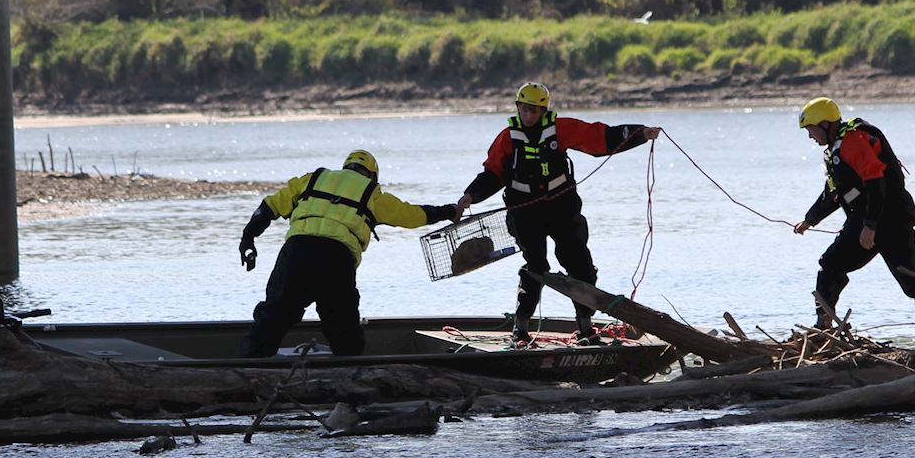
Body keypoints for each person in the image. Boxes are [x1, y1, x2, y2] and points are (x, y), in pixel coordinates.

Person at [455, 82, 661, 346]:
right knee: (537, 267)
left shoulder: (562, 129)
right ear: (517, 108)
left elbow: (600, 138)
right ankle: (521, 328)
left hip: (562, 206)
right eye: (524, 109)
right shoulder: (507, 138)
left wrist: (641, 134)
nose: (528, 115)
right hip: (524, 210)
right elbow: (492, 173)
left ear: (543, 110)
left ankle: (586, 328)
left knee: (579, 264)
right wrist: (470, 195)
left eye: (533, 110)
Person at [238, 149, 455, 357]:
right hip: (336, 260)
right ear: (372, 175)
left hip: (297, 253)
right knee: (343, 330)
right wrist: (449, 211)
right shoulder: (372, 192)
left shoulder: (314, 178)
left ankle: (246, 368)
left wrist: (248, 236)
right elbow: (412, 215)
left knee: (272, 319)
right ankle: (351, 374)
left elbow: (268, 207)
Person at [792, 97, 915, 346]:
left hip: (891, 221)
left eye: (811, 130)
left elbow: (876, 182)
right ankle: (823, 325)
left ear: (825, 124)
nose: (810, 137)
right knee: (830, 264)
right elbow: (835, 193)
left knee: (911, 279)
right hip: (864, 222)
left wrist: (870, 226)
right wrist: (809, 220)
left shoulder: (853, 141)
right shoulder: (834, 150)